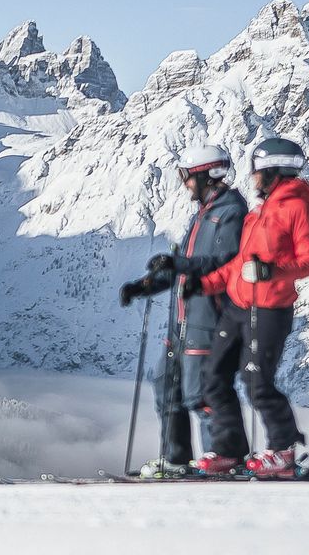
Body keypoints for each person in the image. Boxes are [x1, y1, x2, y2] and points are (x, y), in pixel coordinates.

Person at [185, 137, 309, 479]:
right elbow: (238, 266)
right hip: (237, 307)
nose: (252, 178)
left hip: (270, 310)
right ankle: (229, 451)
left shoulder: (296, 208)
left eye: (257, 171)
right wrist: (203, 284)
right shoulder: (258, 212)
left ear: (273, 171)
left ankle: (283, 452)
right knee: (213, 376)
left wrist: (272, 271)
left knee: (257, 382)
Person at [119, 144, 247, 478]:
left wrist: (179, 263)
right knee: (166, 386)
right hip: (182, 319)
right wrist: (146, 285)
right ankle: (176, 459)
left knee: (201, 393)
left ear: (207, 175)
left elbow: (226, 260)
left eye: (188, 177)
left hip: (209, 315)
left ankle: (223, 458)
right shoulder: (203, 214)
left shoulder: (230, 211)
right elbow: (185, 265)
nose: (185, 184)